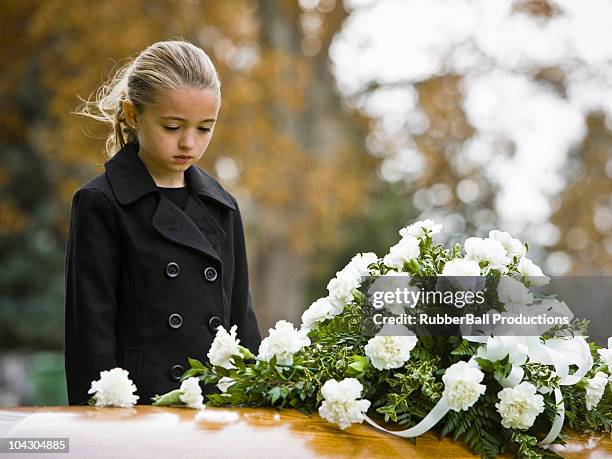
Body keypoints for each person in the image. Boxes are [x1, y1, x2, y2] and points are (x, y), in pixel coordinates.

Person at [65, 40, 261, 405]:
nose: (189, 142)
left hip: (216, 416)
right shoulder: (101, 202)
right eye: (172, 127)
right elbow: (90, 334)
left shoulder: (223, 206)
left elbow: (242, 323)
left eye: (204, 128)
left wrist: (257, 406)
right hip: (138, 417)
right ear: (132, 114)